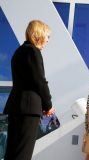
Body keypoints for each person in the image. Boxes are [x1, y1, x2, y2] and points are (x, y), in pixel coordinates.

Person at [3, 20, 55, 160]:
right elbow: (39, 81)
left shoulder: (19, 51)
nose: (48, 40)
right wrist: (48, 105)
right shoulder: (32, 51)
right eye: (47, 36)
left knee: (13, 152)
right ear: (39, 34)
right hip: (28, 109)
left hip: (18, 108)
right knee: (22, 154)